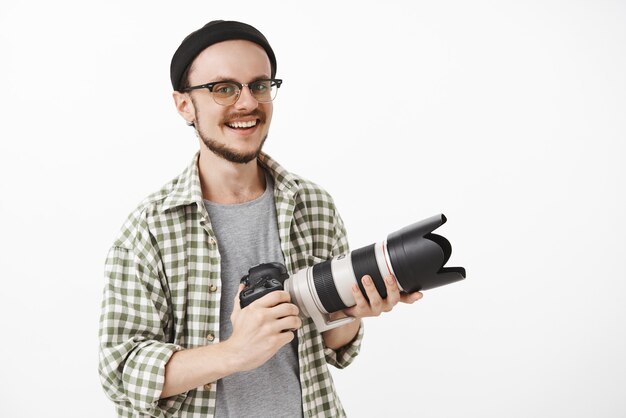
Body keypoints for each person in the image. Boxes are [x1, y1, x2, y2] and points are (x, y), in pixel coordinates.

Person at [98, 20, 423, 418]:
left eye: (259, 85)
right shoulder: (149, 228)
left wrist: (354, 313)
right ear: (185, 105)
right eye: (223, 88)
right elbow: (122, 371)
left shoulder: (312, 205)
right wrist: (234, 352)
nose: (248, 103)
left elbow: (332, 347)